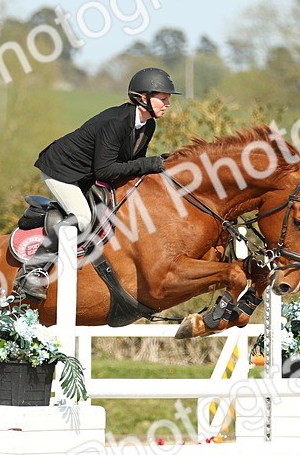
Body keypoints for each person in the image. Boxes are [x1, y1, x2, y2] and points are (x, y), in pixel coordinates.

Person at [18, 67, 180, 298]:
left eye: (168, 100)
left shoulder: (148, 125)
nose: (167, 104)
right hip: (62, 170)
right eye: (162, 99)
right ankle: (31, 272)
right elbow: (106, 171)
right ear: (142, 98)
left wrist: (157, 167)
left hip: (86, 175)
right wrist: (149, 164)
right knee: (82, 218)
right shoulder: (116, 121)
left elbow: (132, 163)